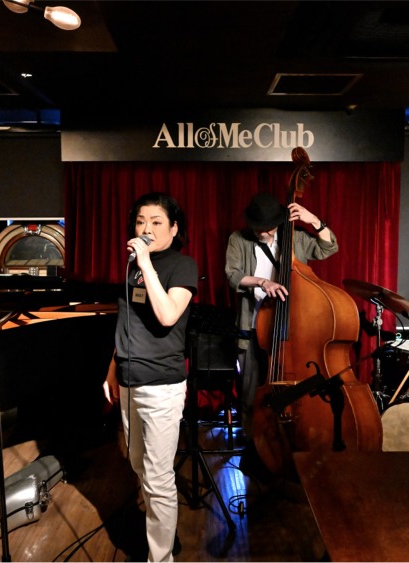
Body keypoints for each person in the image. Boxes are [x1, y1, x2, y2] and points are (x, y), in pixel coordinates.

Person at [103, 192, 198, 562]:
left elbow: (168, 315)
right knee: (137, 463)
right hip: (129, 379)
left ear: (173, 229)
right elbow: (127, 322)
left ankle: (161, 557)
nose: (147, 228)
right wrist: (112, 368)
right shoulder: (133, 267)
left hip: (161, 386)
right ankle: (154, 527)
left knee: (158, 478)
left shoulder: (182, 265)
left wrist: (145, 263)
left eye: (157, 222)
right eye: (141, 221)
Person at [225, 192, 338, 441]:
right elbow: (233, 275)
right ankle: (253, 444)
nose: (264, 232)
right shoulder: (238, 239)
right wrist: (262, 282)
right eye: (259, 227)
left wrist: (315, 221)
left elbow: (328, 248)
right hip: (253, 326)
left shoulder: (295, 237)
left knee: (296, 390)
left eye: (269, 227)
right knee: (251, 391)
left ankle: (294, 440)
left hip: (292, 328)